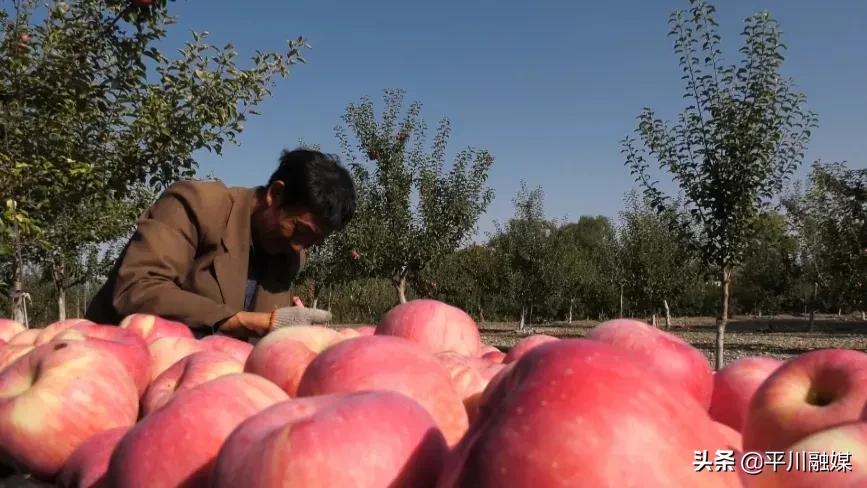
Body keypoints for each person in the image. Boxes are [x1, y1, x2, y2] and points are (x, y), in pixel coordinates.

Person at [85, 148, 356, 340]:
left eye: (313, 240)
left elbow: (262, 337)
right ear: (275, 194)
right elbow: (137, 289)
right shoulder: (198, 205)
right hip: (116, 360)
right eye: (299, 229)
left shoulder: (290, 255)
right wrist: (249, 322)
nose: (300, 246)